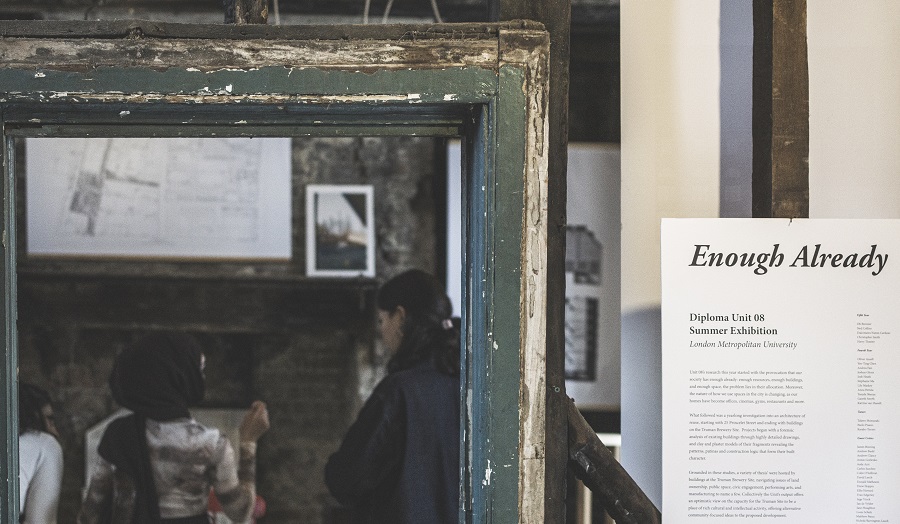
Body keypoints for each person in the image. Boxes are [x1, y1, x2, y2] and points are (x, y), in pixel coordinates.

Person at [77, 332, 270, 524]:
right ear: (179, 377)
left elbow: (89, 516)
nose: (202, 376)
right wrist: (248, 443)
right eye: (198, 369)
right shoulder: (212, 443)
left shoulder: (117, 435)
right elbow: (242, 512)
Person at [325, 269, 461, 524]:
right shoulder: (467, 386)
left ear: (400, 318)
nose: (382, 332)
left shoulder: (398, 392)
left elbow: (346, 479)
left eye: (381, 320)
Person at [18, 382, 63, 524]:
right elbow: (40, 522)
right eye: (49, 419)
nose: (55, 431)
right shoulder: (44, 445)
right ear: (33, 417)